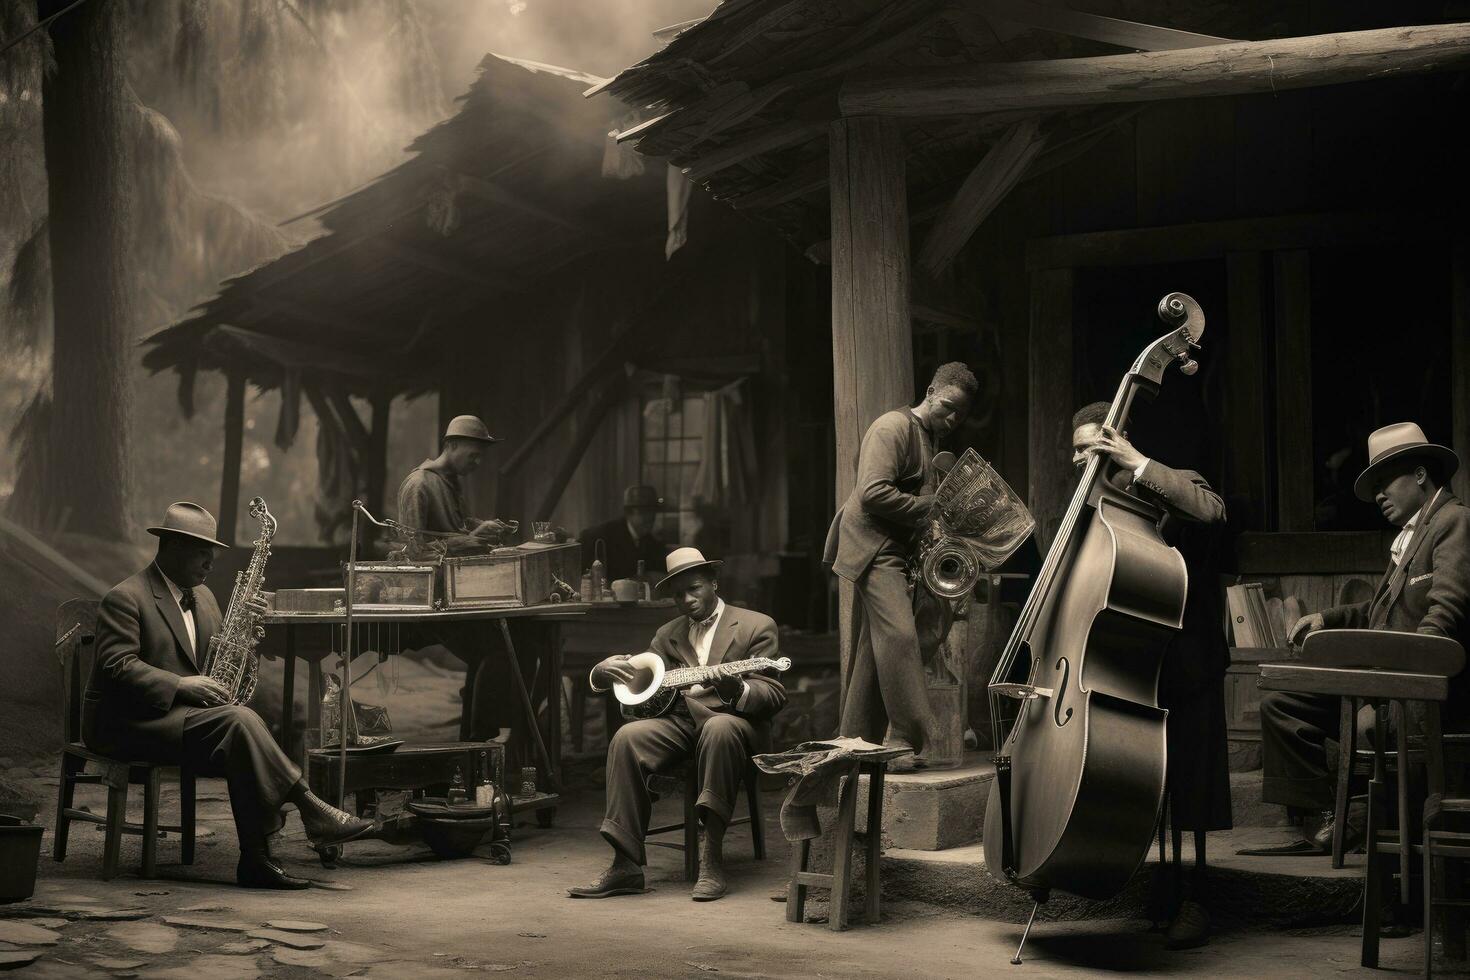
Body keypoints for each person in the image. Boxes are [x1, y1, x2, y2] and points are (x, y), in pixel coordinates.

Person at [83, 502, 374, 889]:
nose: (210, 563)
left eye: (213, 553)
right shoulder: (125, 597)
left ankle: (256, 861)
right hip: (127, 723)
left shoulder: (203, 597)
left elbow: (220, 660)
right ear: (170, 547)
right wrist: (181, 684)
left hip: (182, 719)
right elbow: (117, 666)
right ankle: (309, 809)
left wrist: (248, 632)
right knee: (239, 723)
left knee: (240, 731)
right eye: (201, 552)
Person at [1249, 423, 1470, 856]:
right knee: (1282, 706)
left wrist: (1410, 674)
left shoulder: (1452, 521)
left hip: (1425, 691)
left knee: (1372, 725)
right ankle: (1329, 817)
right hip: (1383, 684)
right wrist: (1325, 618)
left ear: (1421, 475)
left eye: (1385, 483)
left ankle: (1366, 823)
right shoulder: (1408, 537)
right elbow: (1377, 614)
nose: (1379, 497)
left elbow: (1446, 610)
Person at [1071, 402, 1231, 949]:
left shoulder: (1168, 479)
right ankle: (1159, 886)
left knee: (1192, 784)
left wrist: (1137, 462)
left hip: (1188, 659)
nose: (1081, 460)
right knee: (1145, 785)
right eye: (1075, 452)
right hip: (1129, 662)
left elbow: (1210, 511)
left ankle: (1197, 895)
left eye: (1092, 447)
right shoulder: (1088, 509)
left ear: (1117, 441)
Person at [569, 548, 787, 902]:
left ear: (714, 583)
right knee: (627, 737)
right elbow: (647, 696)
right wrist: (603, 672)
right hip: (681, 723)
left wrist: (737, 688)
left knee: (719, 729)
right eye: (678, 594)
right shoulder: (666, 635)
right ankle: (625, 864)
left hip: (734, 725)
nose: (686, 600)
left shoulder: (755, 625)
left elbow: (773, 694)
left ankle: (710, 858)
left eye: (695, 589)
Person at [823, 362, 978, 769]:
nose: (951, 419)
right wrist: (930, 509)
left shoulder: (927, 437)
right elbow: (872, 492)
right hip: (872, 544)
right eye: (947, 407)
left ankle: (854, 741)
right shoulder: (891, 427)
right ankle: (904, 743)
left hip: (897, 546)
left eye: (958, 415)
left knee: (879, 648)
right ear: (929, 391)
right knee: (900, 638)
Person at [394, 414, 525, 745]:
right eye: (473, 455)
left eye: (481, 456)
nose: (477, 462)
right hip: (430, 598)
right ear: (450, 446)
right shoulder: (419, 484)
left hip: (459, 592)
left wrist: (483, 527)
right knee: (495, 650)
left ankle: (477, 739)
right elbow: (414, 550)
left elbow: (454, 527)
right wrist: (471, 539)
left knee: (510, 643)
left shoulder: (449, 483)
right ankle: (478, 741)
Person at [578, 484, 671, 584]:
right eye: (644, 512)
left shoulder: (652, 542)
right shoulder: (600, 535)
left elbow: (664, 571)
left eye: (653, 511)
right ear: (628, 513)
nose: (651, 517)